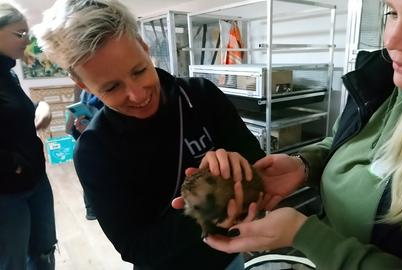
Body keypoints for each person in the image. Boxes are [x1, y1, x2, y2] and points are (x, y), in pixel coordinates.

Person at [190, 0, 402, 269]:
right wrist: (305, 164)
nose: (391, 40)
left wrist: (306, 236)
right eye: (391, 12)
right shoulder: (381, 81)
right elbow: (341, 142)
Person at [35, 0, 264, 269]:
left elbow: (256, 163)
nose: (138, 95)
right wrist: (211, 208)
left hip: (232, 259)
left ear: (144, 47)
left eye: (139, 70)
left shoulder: (201, 95)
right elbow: (136, 248)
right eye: (111, 87)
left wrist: (238, 163)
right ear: (82, 83)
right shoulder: (94, 151)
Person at [0, 2, 57, 269]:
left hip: (35, 180)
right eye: (19, 34)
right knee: (14, 261)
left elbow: (15, 116)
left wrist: (41, 107)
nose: (27, 40)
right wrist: (15, 165)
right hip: (7, 192)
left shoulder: (7, 75)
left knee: (44, 250)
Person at [65, 87, 103, 220]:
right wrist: (82, 128)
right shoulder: (86, 92)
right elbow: (71, 129)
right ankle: (92, 209)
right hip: (92, 145)